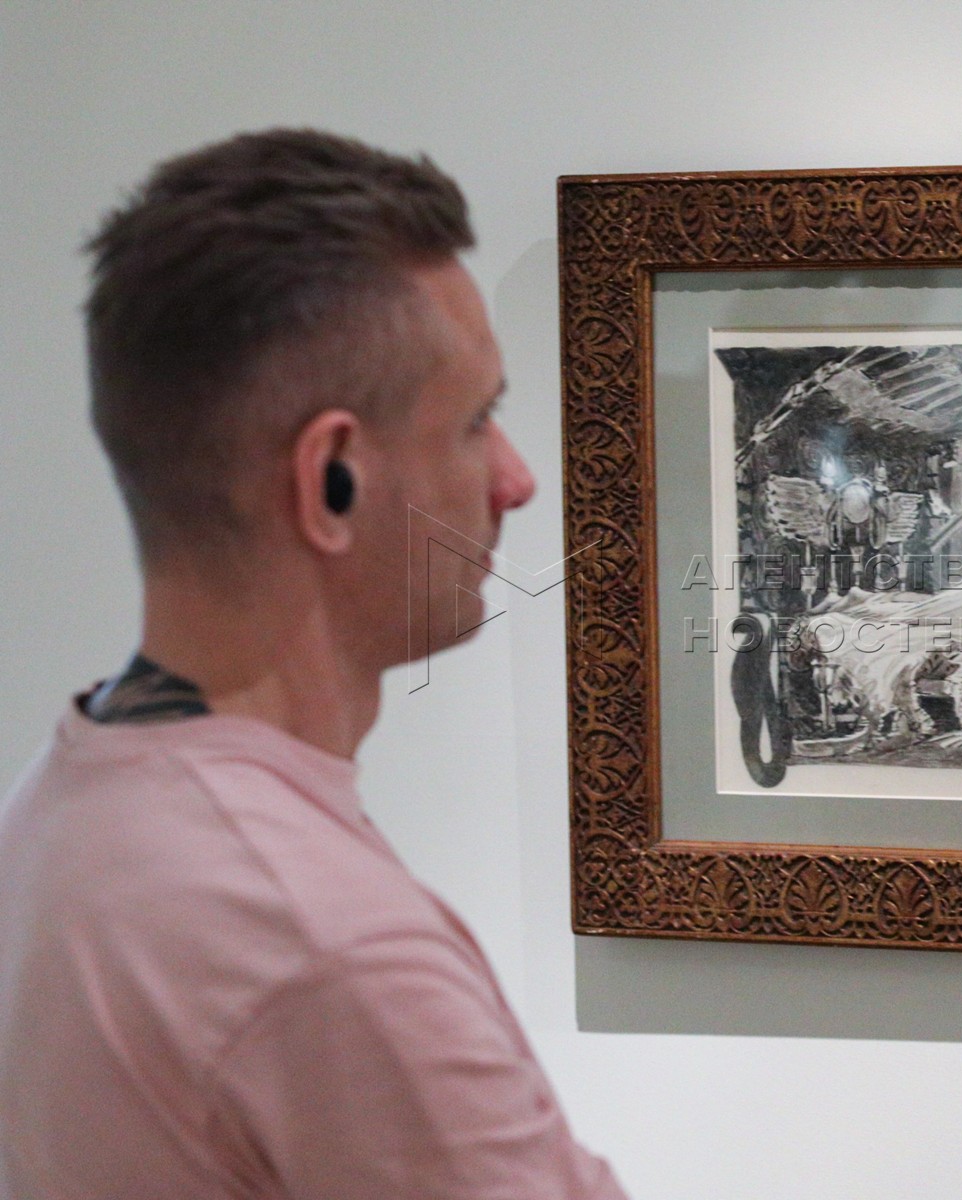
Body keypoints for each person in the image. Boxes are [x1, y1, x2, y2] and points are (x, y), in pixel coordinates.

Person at [0, 130, 629, 1199]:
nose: (517, 480)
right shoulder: (327, 946)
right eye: (476, 421)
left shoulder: (61, 804)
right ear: (332, 478)